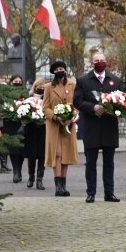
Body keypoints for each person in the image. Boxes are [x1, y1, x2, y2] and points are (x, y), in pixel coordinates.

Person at [74, 52, 122, 203]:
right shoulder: (82, 80)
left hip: (109, 127)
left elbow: (123, 100)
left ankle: (109, 193)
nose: (99, 62)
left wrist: (114, 108)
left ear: (106, 62)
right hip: (91, 127)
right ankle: (91, 193)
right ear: (92, 63)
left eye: (102, 60)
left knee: (109, 163)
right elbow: (77, 101)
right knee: (91, 163)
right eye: (96, 60)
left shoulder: (115, 80)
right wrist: (93, 107)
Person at [42, 61, 79, 197]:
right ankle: (58, 187)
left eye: (62, 68)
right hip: (54, 125)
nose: (60, 70)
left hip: (69, 125)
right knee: (57, 154)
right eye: (57, 69)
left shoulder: (72, 85)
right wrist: (56, 117)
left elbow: (76, 103)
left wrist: (72, 116)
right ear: (54, 72)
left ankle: (63, 185)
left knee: (66, 155)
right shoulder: (48, 87)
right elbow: (45, 108)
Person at [1, 74, 26, 183]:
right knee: (13, 149)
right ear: (11, 82)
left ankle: (19, 170)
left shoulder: (25, 93)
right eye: (15, 81)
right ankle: (16, 171)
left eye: (19, 81)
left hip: (22, 124)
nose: (17, 83)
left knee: (21, 150)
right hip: (9, 124)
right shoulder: (6, 94)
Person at [24, 78, 47, 190]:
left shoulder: (47, 100)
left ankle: (40, 180)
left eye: (43, 86)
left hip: (44, 129)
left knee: (42, 156)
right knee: (32, 155)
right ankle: (31, 177)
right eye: (39, 86)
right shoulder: (28, 100)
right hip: (32, 130)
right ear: (35, 87)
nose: (41, 88)